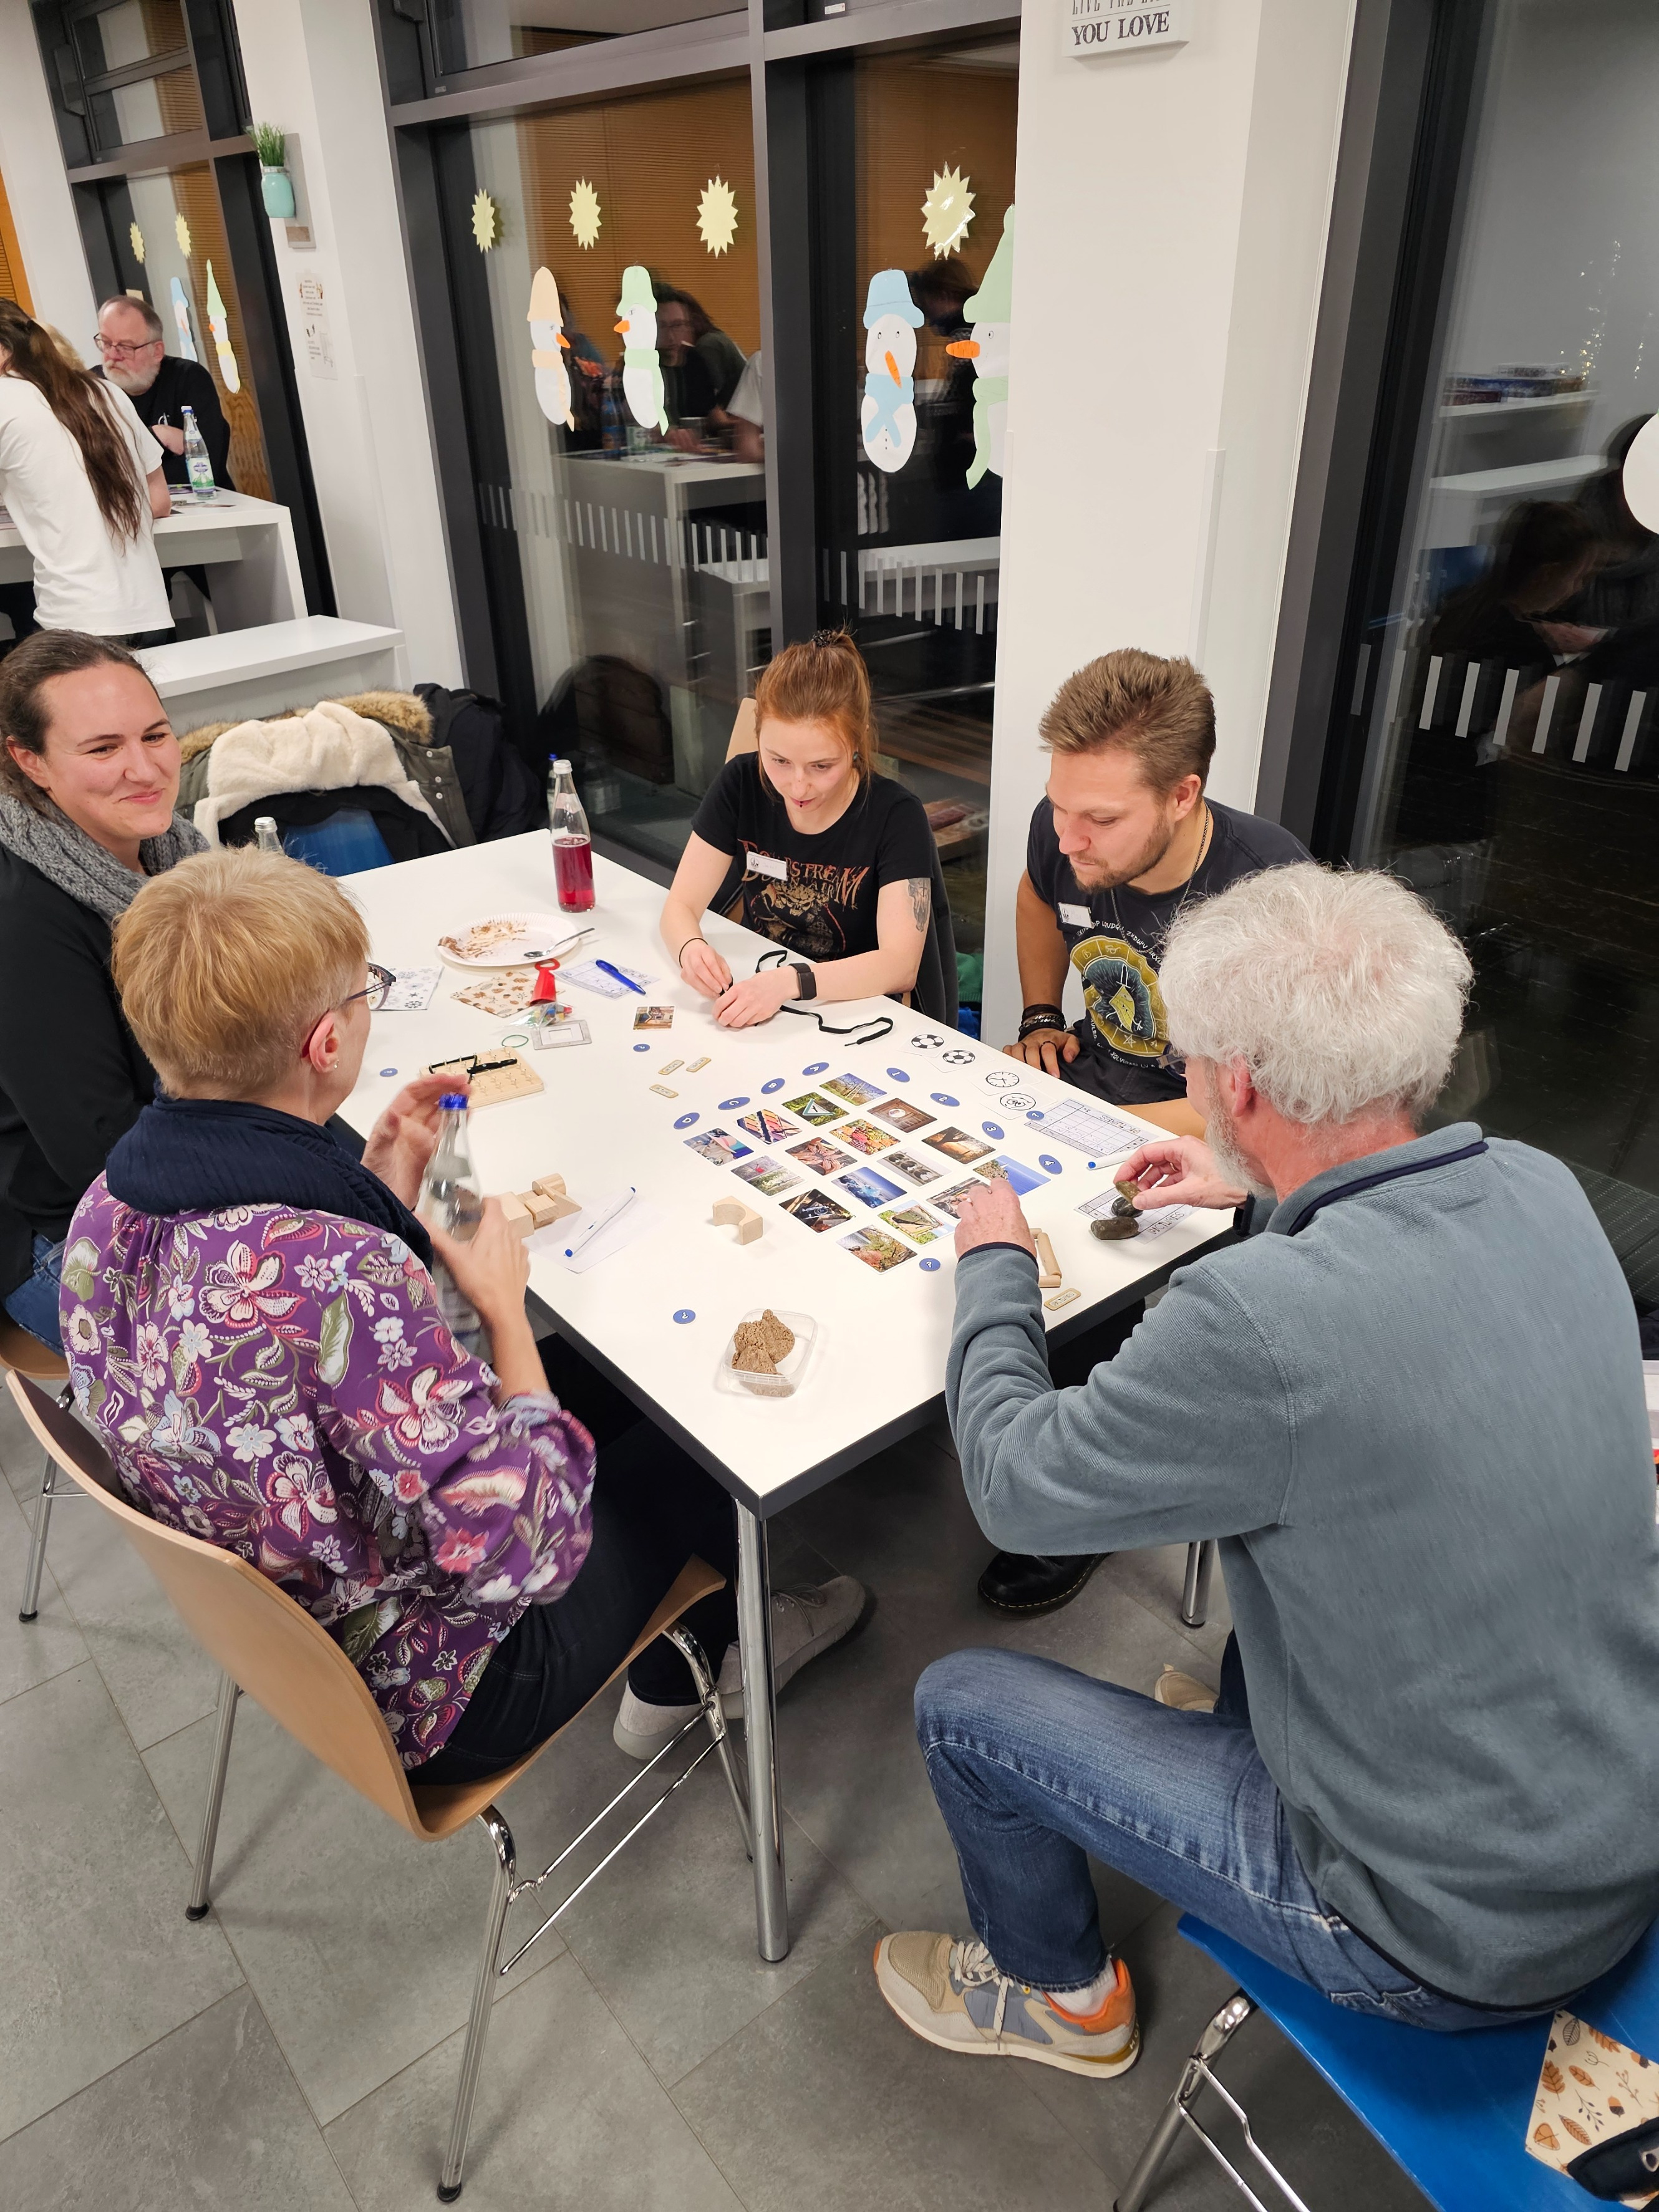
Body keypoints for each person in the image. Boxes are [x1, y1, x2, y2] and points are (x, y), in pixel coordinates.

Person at [875, 862, 1659, 2074]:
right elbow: (1383, 1310)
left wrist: (995, 1271)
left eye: (1190, 1062)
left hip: (1440, 1937)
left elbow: (1016, 1487)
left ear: (1235, 1082)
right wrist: (1261, 1190)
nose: (1191, 1080)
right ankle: (1239, 1760)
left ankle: (1059, 1996)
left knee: (961, 1704)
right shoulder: (1541, 1185)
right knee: (1293, 1586)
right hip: (1610, 1836)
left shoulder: (1251, 1319)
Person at [62, 846, 863, 1774]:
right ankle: (698, 1671)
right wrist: (503, 1312)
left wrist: (373, 1190)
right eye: (365, 993)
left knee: (599, 1389)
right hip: (442, 1687)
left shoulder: (105, 1207)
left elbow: (288, 1359)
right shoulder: (343, 1272)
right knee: (698, 1433)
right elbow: (530, 1548)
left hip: (290, 1625)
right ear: (327, 1045)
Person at [984, 649, 1309, 1618]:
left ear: (1182, 795)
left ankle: (1071, 1504)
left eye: (1099, 819)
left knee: (1090, 1277)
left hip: (1213, 1136)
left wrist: (1085, 1120)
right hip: (1094, 1087)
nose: (1068, 836)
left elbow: (1266, 1105)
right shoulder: (1066, 828)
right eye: (1059, 807)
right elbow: (1037, 893)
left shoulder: (1269, 888)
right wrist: (1040, 1012)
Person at [0, 630, 205, 1351]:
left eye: (155, 735)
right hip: (70, 1231)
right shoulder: (23, 918)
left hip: (186, 1154)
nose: (144, 769)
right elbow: (104, 1150)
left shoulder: (175, 855)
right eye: (102, 748)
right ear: (30, 761)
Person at [659, 630, 936, 1028]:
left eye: (822, 766)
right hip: (759, 985)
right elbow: (680, 906)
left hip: (854, 1009)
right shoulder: (741, 783)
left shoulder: (896, 815)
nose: (798, 787)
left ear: (857, 743)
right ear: (759, 737)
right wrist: (691, 948)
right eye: (779, 761)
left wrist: (790, 983)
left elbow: (899, 966)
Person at [0, 300, 173, 649]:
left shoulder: (6, 398)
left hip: (79, 624)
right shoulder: (106, 390)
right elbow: (160, 499)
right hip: (152, 614)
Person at [94, 294, 234, 491]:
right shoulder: (93, 388)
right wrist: (159, 436)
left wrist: (134, 465)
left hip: (204, 502)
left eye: (126, 347)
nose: (113, 356)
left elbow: (207, 466)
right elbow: (98, 474)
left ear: (157, 351)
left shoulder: (189, 378)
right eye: (107, 343)